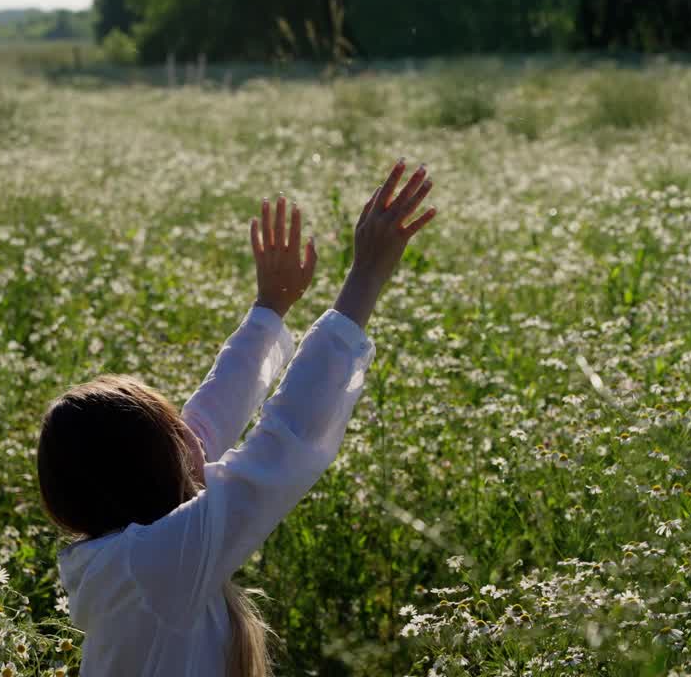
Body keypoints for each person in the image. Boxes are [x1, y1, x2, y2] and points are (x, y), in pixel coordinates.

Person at [36, 160, 436, 676]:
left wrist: (270, 308)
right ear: (155, 468)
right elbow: (282, 441)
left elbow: (205, 426)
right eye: (176, 431)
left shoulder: (122, 557)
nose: (194, 432)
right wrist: (364, 279)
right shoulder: (157, 561)